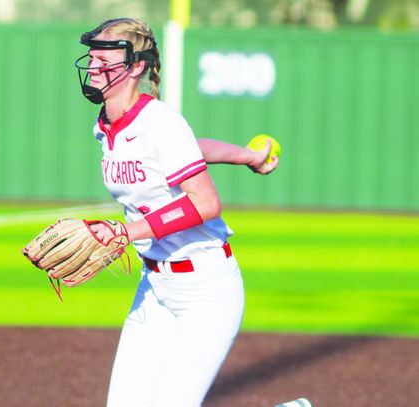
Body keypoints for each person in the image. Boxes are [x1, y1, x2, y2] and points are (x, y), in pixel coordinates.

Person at [74, 17, 278, 407]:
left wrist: (126, 232)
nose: (94, 64)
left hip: (207, 290)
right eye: (91, 56)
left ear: (135, 66)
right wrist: (247, 156)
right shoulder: (105, 126)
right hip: (154, 289)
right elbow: (191, 148)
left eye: (105, 58)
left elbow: (206, 203)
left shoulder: (160, 121)